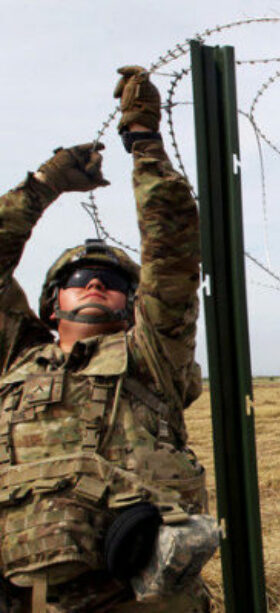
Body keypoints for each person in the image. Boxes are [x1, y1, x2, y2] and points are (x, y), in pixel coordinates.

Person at [0, 66, 215, 611]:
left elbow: (171, 246)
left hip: (137, 598)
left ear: (131, 301)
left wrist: (142, 139)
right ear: (53, 305)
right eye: (77, 280)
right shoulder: (18, 356)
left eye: (116, 282)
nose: (95, 282)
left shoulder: (150, 354)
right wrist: (45, 183)